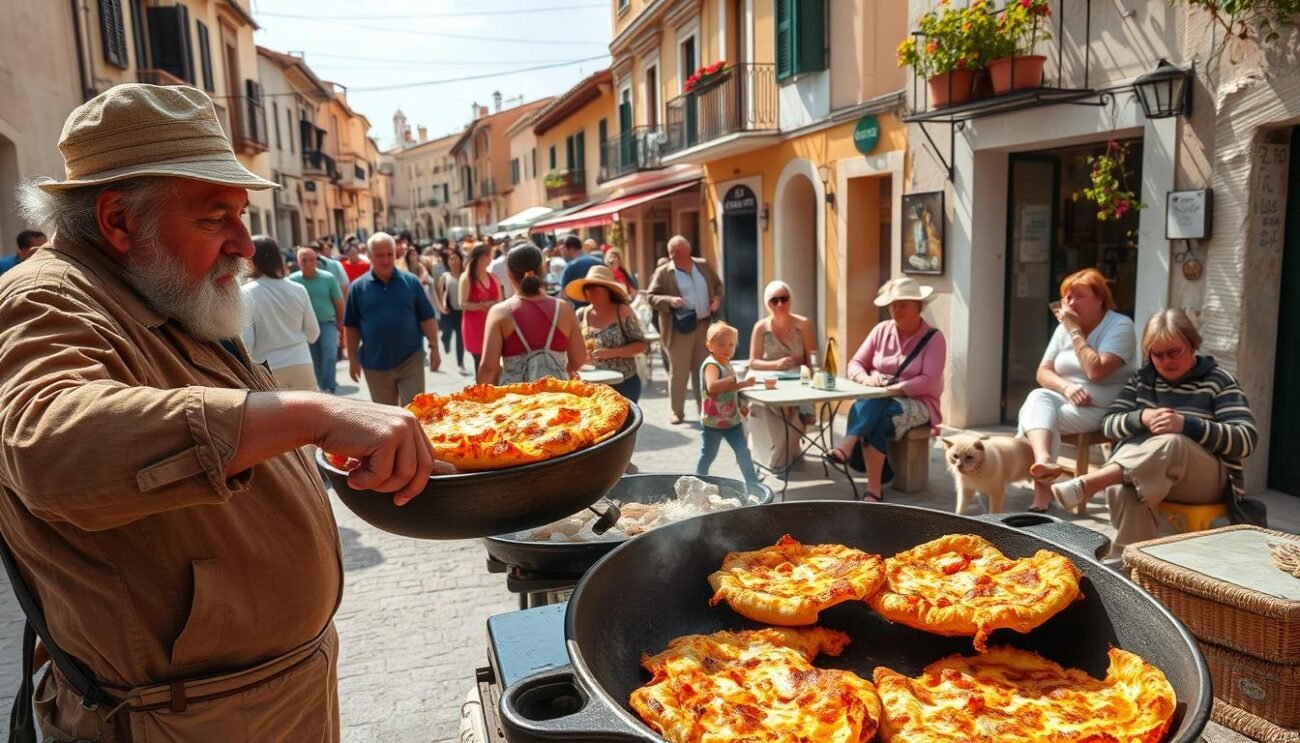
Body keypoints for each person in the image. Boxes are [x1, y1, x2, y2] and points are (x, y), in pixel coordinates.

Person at [2, 83, 436, 739]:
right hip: (186, 720)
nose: (244, 240)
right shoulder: (44, 298)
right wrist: (308, 415)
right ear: (118, 220)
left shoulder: (164, 285)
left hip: (255, 699)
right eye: (214, 217)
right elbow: (49, 447)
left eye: (240, 213)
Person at [1051, 309, 1258, 559]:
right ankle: (1129, 564)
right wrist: (1141, 417)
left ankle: (1091, 483)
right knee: (1124, 487)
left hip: (1205, 482)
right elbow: (1108, 424)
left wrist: (1186, 425)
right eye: (1157, 355)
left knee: (1172, 444)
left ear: (1192, 345)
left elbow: (1246, 440)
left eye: (1174, 352)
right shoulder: (1142, 380)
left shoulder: (1219, 381)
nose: (1166, 361)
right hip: (1150, 474)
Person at [1019, 268, 1137, 512]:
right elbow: (1043, 372)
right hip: (1065, 400)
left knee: (1038, 420)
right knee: (1037, 399)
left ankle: (1041, 491)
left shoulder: (1120, 326)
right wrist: (1066, 386)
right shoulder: (1064, 327)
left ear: (1100, 299)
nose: (1071, 303)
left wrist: (1075, 331)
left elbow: (1096, 370)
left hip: (1104, 408)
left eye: (1078, 296)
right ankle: (1045, 462)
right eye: (1067, 297)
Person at [824, 278, 947, 503]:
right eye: (893, 305)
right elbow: (855, 363)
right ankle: (874, 489)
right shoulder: (881, 330)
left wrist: (896, 388)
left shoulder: (934, 338)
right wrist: (868, 379)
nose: (896, 310)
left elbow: (929, 381)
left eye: (903, 305)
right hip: (880, 398)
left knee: (873, 405)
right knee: (876, 414)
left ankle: (849, 448)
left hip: (919, 402)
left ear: (919, 306)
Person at [344, 232, 441, 406]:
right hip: (375, 365)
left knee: (415, 412)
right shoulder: (357, 288)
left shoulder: (411, 282)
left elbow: (427, 317)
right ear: (370, 256)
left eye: (390, 254)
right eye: (380, 256)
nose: (386, 260)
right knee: (389, 419)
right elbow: (351, 326)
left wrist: (434, 347)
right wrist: (352, 358)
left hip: (410, 360)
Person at [644, 235, 724, 425]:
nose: (673, 255)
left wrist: (717, 299)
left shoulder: (703, 265)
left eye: (677, 251)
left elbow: (718, 286)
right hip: (678, 328)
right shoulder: (664, 272)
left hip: (704, 325)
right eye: (670, 251)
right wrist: (669, 301)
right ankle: (677, 412)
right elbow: (650, 296)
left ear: (688, 250)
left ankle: (704, 409)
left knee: (703, 370)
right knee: (678, 372)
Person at [478, 244, 583, 384]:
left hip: (516, 399)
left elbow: (488, 368)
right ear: (543, 269)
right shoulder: (564, 309)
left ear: (509, 272)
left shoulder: (500, 312)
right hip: (557, 396)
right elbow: (579, 359)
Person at [747, 280, 817, 468]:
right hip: (771, 381)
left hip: (798, 382)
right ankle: (785, 453)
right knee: (766, 407)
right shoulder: (760, 327)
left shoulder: (803, 325)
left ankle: (778, 460)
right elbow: (753, 361)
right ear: (767, 303)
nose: (779, 304)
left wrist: (809, 378)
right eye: (774, 300)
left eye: (784, 299)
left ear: (790, 300)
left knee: (798, 412)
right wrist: (775, 364)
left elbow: (813, 360)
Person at [241, 235, 319, 391]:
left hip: (268, 369)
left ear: (251, 260)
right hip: (302, 363)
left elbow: (247, 343)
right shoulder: (298, 289)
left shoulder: (246, 293)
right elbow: (313, 333)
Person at [568, 264, 648, 401]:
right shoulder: (582, 314)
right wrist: (583, 357)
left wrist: (610, 353)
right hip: (592, 383)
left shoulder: (622, 311)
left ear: (608, 290)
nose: (590, 291)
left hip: (623, 382)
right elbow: (574, 347)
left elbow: (641, 345)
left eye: (595, 287)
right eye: (587, 288)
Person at [696, 322, 760, 487]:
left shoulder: (725, 362)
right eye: (722, 344)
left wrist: (741, 393)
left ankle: (753, 485)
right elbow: (712, 387)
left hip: (731, 420)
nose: (727, 348)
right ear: (710, 346)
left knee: (743, 453)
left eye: (731, 344)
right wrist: (734, 379)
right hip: (713, 422)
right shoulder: (712, 365)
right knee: (708, 455)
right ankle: (696, 481)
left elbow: (728, 390)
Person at [290, 247, 345, 393]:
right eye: (304, 260)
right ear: (298, 262)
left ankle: (329, 387)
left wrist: (340, 322)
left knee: (330, 353)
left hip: (328, 323)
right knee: (315, 359)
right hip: (306, 326)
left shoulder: (328, 278)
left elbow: (338, 301)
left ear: (317, 260)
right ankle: (322, 388)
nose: (308, 263)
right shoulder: (292, 281)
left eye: (312, 259)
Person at [460, 243, 502, 371]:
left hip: (493, 325)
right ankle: (482, 390)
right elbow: (463, 304)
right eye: (489, 255)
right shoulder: (467, 278)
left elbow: (500, 300)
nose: (491, 259)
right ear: (481, 257)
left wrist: (495, 305)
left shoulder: (493, 277)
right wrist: (482, 306)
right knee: (480, 364)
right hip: (475, 328)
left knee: (495, 364)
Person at [433, 248, 468, 374]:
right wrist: (441, 305)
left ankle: (461, 363)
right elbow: (440, 292)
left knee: (460, 338)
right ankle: (445, 341)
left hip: (462, 312)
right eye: (451, 259)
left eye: (456, 258)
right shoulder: (445, 276)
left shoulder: (465, 276)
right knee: (446, 332)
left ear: (460, 260)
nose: (453, 261)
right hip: (449, 311)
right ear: (448, 262)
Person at [559, 235, 604, 307]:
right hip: (602, 308)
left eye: (564, 250)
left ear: (571, 249)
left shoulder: (570, 266)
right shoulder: (599, 262)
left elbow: (564, 294)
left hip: (579, 311)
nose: (563, 254)